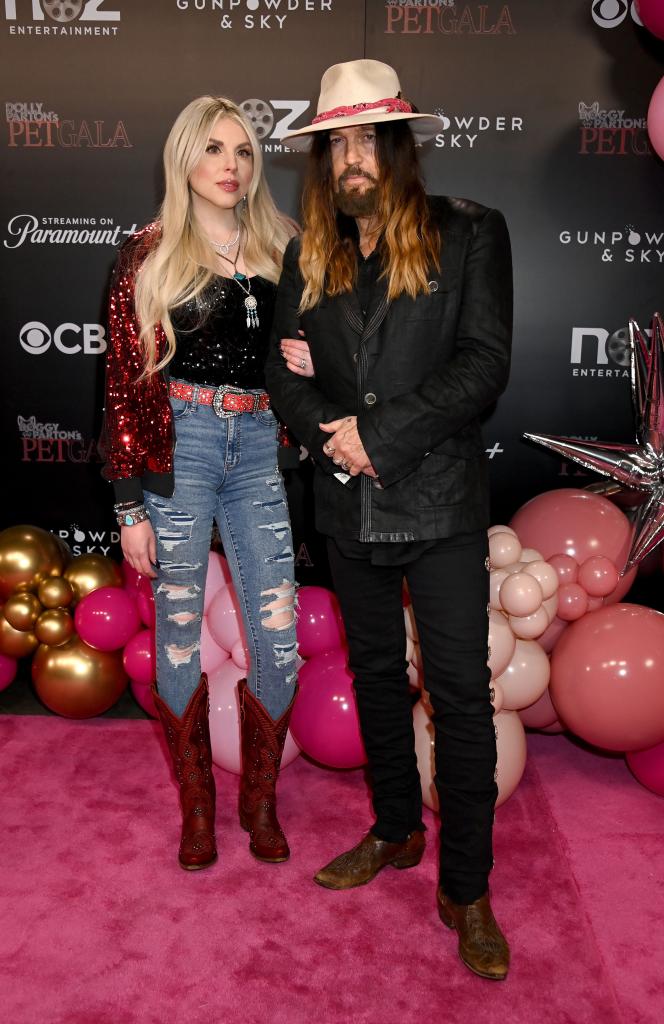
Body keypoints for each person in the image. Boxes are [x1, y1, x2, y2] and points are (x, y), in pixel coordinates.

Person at [265, 60, 513, 979]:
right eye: (337, 143)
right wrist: (334, 440)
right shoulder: (308, 252)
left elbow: (482, 364)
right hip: (346, 500)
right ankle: (397, 831)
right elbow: (282, 375)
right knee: (373, 677)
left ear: (400, 146)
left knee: (458, 696)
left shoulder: (471, 232)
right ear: (323, 157)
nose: (352, 158)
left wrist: (376, 434)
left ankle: (469, 888)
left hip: (440, 500)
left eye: (369, 138)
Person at [101, 96, 299, 872]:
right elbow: (121, 381)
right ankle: (198, 809)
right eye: (214, 149)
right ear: (184, 157)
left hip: (256, 447)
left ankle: (260, 801)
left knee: (276, 639)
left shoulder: (285, 246)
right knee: (179, 634)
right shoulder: (147, 252)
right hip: (178, 448)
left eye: (244, 151)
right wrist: (127, 506)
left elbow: (314, 356)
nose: (231, 166)